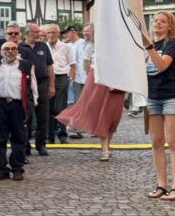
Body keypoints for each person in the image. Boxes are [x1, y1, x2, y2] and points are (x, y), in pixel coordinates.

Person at [58, 23, 126, 162]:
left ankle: (108, 145)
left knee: (113, 116)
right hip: (98, 81)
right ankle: (105, 149)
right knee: (102, 115)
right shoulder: (91, 46)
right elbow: (86, 65)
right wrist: (93, 77)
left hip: (116, 82)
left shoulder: (118, 45)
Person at [143, 11, 175, 201]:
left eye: (163, 21)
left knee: (173, 141)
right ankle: (161, 184)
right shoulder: (145, 46)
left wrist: (149, 47)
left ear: (170, 26)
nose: (158, 24)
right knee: (156, 142)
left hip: (172, 96)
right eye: (155, 21)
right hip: (152, 96)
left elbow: (161, 66)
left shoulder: (173, 43)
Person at [0, 41, 37, 181]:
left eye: (13, 48)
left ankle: (17, 168)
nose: (10, 51)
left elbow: (33, 86)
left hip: (18, 106)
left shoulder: (26, 66)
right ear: (1, 52)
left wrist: (33, 104)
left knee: (18, 138)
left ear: (17, 51)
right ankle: (1, 169)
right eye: (6, 49)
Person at [21, 23, 54, 155]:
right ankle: (26, 144)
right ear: (28, 33)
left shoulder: (43, 46)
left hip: (42, 83)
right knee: (27, 116)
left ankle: (41, 144)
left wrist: (51, 85)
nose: (39, 34)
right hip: (27, 85)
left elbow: (50, 66)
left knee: (43, 115)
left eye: (39, 32)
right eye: (35, 32)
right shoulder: (20, 47)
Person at [46, 24, 74, 143]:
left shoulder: (65, 47)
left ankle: (62, 134)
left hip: (61, 77)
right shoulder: (43, 46)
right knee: (48, 108)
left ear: (58, 34)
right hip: (47, 78)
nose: (51, 35)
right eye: (49, 33)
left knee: (61, 108)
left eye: (53, 33)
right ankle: (50, 136)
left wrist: (70, 77)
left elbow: (72, 64)